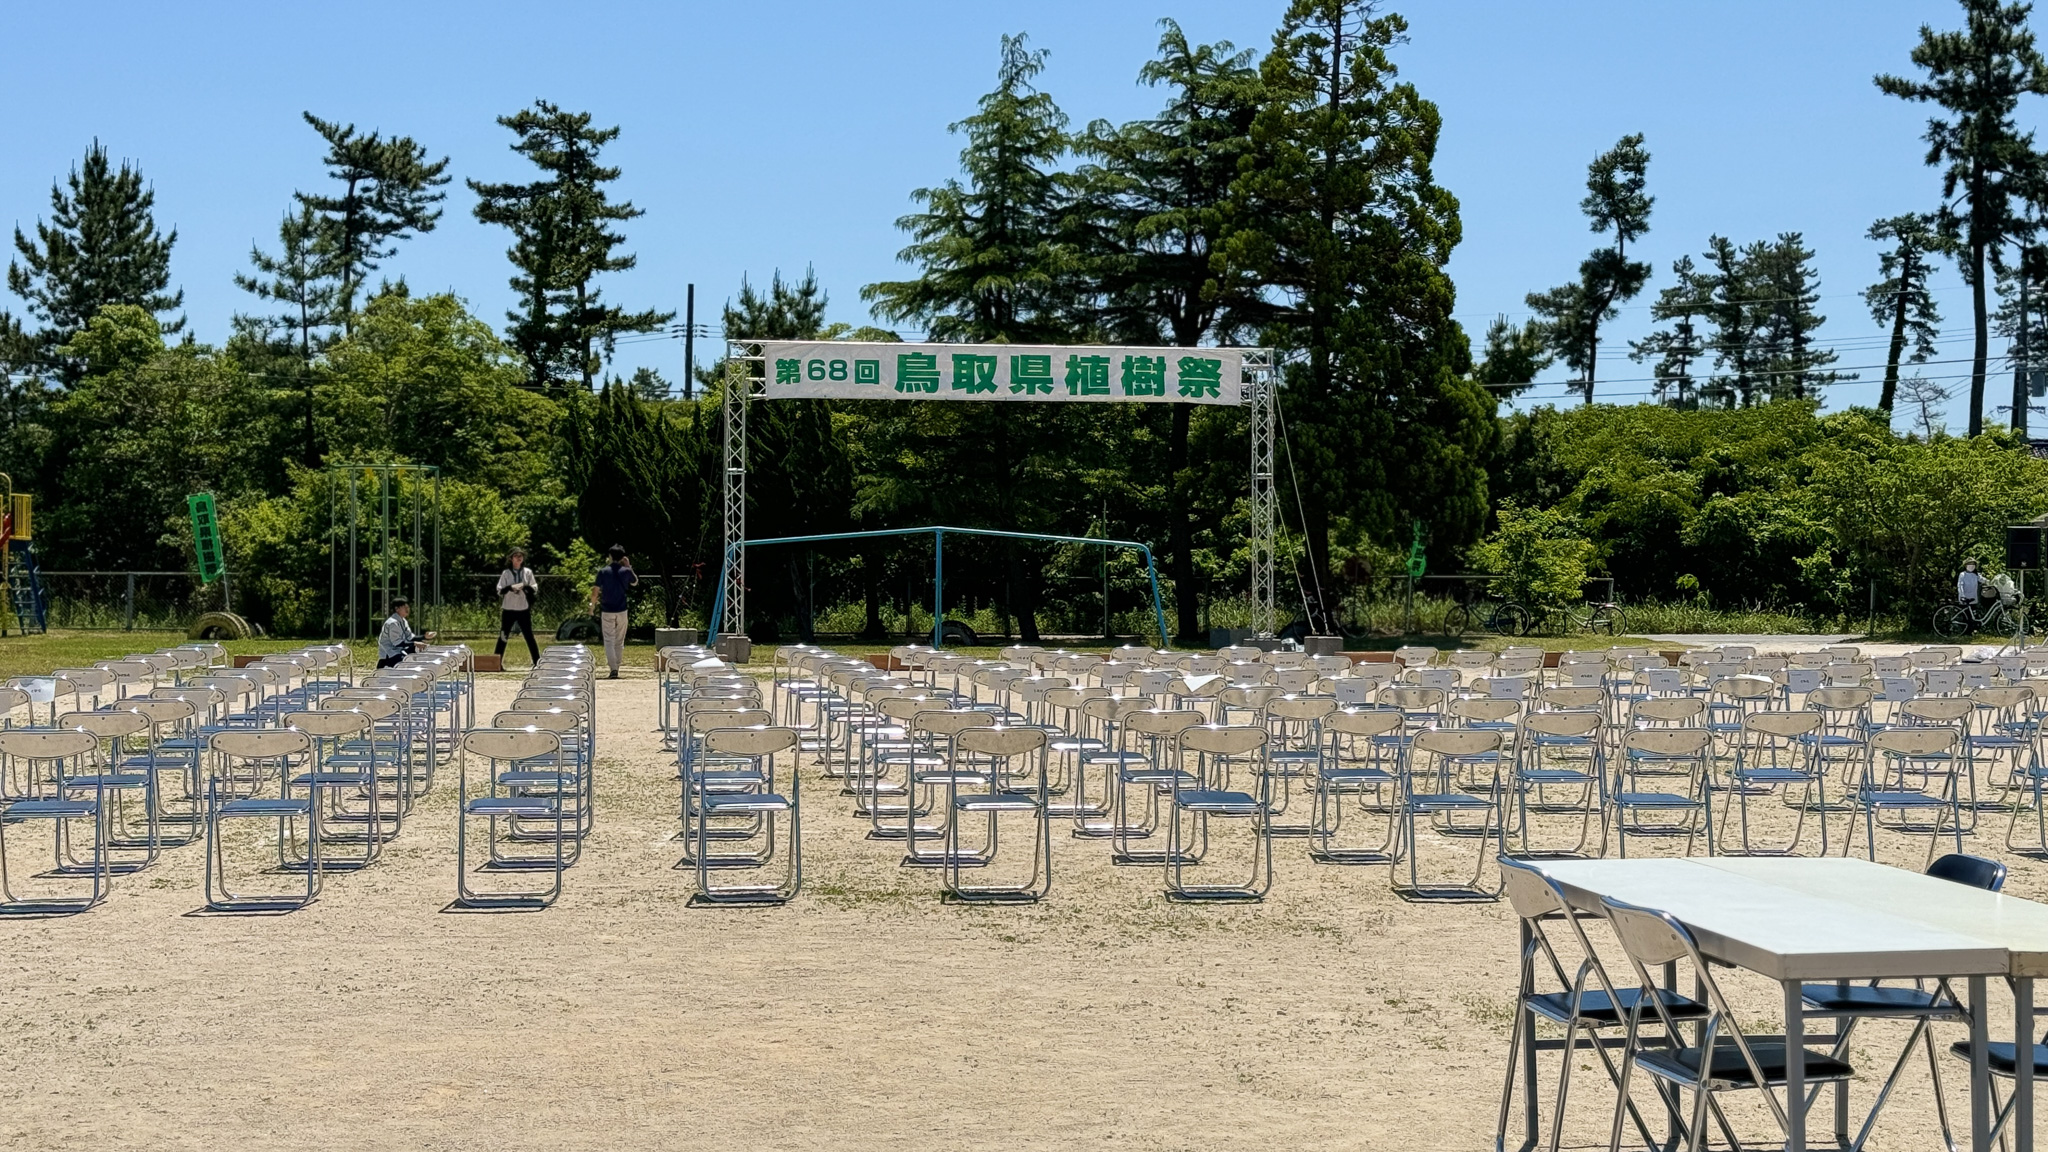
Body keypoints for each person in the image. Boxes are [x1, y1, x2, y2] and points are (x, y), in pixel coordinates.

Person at [591, 544, 638, 679]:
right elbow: (635, 582)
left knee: (609, 640)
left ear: (610, 556)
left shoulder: (603, 572)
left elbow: (595, 592)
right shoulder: (625, 571)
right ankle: (617, 665)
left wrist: (591, 606)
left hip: (607, 610)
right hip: (622, 609)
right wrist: (629, 566)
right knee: (619, 640)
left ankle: (613, 668)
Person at [494, 548, 542, 667]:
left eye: (521, 556)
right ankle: (496, 663)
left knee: (529, 636)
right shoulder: (506, 573)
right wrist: (510, 588)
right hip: (509, 608)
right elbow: (499, 590)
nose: (519, 558)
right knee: (503, 636)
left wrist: (525, 587)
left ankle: (537, 662)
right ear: (511, 559)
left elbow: (534, 587)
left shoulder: (527, 572)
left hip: (523, 608)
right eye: (516, 556)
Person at [376, 599, 433, 669]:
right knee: (407, 662)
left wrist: (424, 636)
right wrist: (415, 643)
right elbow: (397, 643)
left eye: (407, 607)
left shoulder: (403, 621)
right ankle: (384, 666)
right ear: (397, 609)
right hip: (389, 654)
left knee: (419, 649)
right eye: (404, 607)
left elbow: (410, 638)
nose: (407, 609)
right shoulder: (393, 623)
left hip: (398, 650)